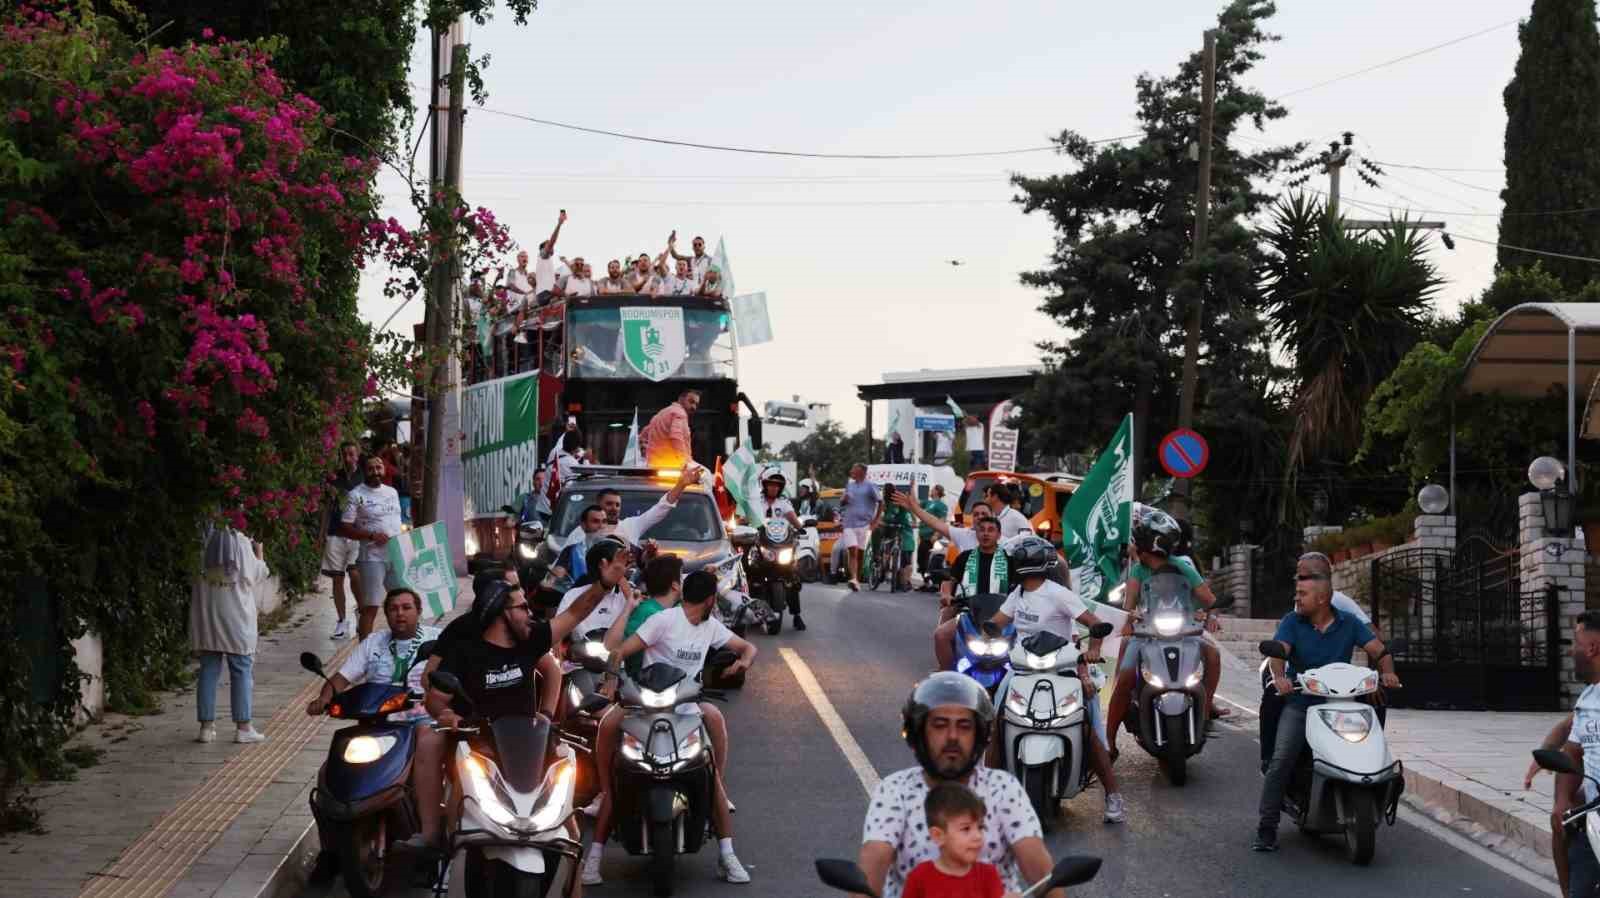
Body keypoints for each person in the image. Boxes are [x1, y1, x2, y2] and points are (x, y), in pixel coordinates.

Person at [416, 554, 619, 857]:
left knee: (569, 832)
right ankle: (438, 848)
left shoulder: (531, 639)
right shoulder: (464, 646)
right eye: (523, 607)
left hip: (527, 742)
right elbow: (435, 693)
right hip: (478, 741)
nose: (530, 613)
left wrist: (605, 583)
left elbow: (576, 613)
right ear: (501, 613)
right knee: (462, 797)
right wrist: (447, 714)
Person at [586, 569, 758, 885]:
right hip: (647, 704)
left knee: (712, 769)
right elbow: (619, 651)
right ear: (709, 600)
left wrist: (744, 661)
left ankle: (727, 853)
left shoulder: (711, 627)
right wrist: (610, 681)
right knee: (609, 730)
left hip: (688, 707)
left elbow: (747, 648)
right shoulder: (664, 621)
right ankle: (594, 854)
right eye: (714, 599)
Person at [858, 673, 1063, 898]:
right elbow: (873, 862)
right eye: (939, 725)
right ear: (919, 733)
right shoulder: (894, 790)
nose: (953, 736)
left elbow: (1038, 867)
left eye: (964, 726)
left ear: (979, 734)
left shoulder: (1003, 788)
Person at [1253, 558, 1400, 852]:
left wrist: (1387, 671)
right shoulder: (1291, 622)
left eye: (1302, 594)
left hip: (1343, 702)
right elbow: (1279, 652)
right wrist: (1280, 677)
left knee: (1376, 738)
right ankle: (1266, 827)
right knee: (1281, 759)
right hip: (1302, 702)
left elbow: (1378, 650)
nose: (1296, 598)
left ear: (1321, 598)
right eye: (1296, 593)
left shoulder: (1349, 624)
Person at [987, 538, 1125, 823]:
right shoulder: (1017, 594)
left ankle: (1113, 795)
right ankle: (989, 794)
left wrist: (1094, 651)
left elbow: (1093, 622)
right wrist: (988, 629)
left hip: (1063, 668)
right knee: (998, 721)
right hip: (1023, 669)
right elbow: (997, 621)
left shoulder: (1058, 593)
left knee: (1088, 727)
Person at [1103, 507, 1225, 758]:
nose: (1135, 546)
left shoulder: (1182, 566)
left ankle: (1205, 707)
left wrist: (1211, 613)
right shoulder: (1137, 570)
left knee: (1213, 656)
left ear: (1148, 545)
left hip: (1185, 632)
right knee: (1125, 677)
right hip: (1147, 633)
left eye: (1138, 541)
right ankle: (1109, 740)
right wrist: (1128, 620)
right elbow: (1129, 606)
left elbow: (1208, 598)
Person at [1257, 552, 1373, 771]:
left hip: (1334, 683)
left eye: (1303, 574)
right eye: (1298, 575)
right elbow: (1284, 642)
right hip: (1299, 677)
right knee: (1272, 695)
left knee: (1376, 700)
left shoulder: (1338, 602)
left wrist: (1375, 673)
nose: (1298, 579)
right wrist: (1280, 676)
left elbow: (1372, 635)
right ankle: (1269, 758)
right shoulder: (1301, 602)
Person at [191, 522, 270, 744]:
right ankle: (243, 727)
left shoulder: (202, 542)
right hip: (237, 618)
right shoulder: (241, 542)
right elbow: (257, 574)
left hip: (207, 616)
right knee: (241, 670)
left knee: (208, 669)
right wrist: (260, 551)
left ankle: (206, 728)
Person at [902, 784, 1020, 898]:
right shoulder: (919, 877)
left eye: (980, 827)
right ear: (938, 836)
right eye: (966, 829)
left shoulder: (988, 875)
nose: (978, 836)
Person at [336, 455, 403, 640]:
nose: (376, 472)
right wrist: (371, 535)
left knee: (401, 602)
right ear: (364, 471)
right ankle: (364, 652)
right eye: (371, 469)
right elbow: (345, 527)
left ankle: (399, 643)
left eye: (379, 467)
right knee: (371, 608)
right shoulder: (356, 494)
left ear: (384, 469)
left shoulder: (392, 492)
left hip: (396, 556)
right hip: (371, 558)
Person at [933, 515, 1008, 668]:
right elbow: (949, 580)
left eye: (991, 530)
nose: (986, 534)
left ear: (999, 535)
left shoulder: (1009, 559)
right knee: (940, 635)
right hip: (969, 612)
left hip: (1003, 613)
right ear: (976, 534)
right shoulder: (964, 557)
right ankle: (947, 674)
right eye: (982, 530)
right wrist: (946, 594)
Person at [748, 466, 807, 630]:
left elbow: (794, 521)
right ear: (765, 485)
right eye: (771, 484)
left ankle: (797, 615)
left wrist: (800, 527)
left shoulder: (784, 503)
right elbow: (744, 517)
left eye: (777, 485)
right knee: (747, 571)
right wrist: (742, 523)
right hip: (760, 544)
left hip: (781, 545)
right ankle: (744, 610)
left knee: (793, 578)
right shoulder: (755, 501)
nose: (773, 487)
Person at [322, 441, 365, 641]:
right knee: (337, 578)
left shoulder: (364, 477)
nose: (347, 458)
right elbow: (327, 508)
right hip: (335, 532)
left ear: (357, 455)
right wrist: (321, 534)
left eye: (351, 454)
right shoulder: (334, 478)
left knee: (355, 574)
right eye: (344, 454)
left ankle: (361, 611)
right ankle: (341, 620)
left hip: (356, 534)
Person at [840, 463, 882, 592]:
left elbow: (881, 502)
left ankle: (856, 579)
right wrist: (844, 499)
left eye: (854, 469)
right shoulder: (850, 486)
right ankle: (853, 578)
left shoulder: (870, 486)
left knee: (860, 553)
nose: (851, 471)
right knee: (853, 550)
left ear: (861, 472)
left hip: (864, 524)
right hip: (849, 523)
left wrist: (875, 521)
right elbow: (842, 502)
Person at [639, 389, 699, 468]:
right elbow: (676, 437)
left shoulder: (661, 413)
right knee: (706, 475)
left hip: (653, 465)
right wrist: (684, 462)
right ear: (681, 399)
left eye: (696, 404)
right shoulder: (680, 413)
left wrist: (645, 451)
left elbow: (643, 436)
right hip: (674, 465)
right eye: (691, 402)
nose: (694, 407)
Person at [873, 484, 917, 591]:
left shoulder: (898, 499)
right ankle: (878, 556)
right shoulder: (884, 502)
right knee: (878, 532)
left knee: (901, 550)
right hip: (888, 526)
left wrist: (914, 521)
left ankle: (899, 578)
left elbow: (910, 509)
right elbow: (880, 513)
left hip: (900, 527)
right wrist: (879, 521)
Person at [917, 486, 950, 586]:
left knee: (929, 560)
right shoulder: (927, 503)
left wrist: (936, 534)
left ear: (937, 491)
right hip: (923, 535)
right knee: (921, 560)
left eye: (933, 489)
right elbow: (916, 505)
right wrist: (912, 487)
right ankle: (926, 582)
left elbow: (942, 520)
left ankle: (933, 583)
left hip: (931, 537)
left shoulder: (941, 505)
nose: (931, 491)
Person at [533, 211, 566, 305]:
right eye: (549, 246)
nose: (551, 247)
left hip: (546, 294)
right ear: (543, 248)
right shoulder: (542, 255)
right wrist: (559, 224)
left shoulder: (547, 261)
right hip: (544, 294)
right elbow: (552, 240)